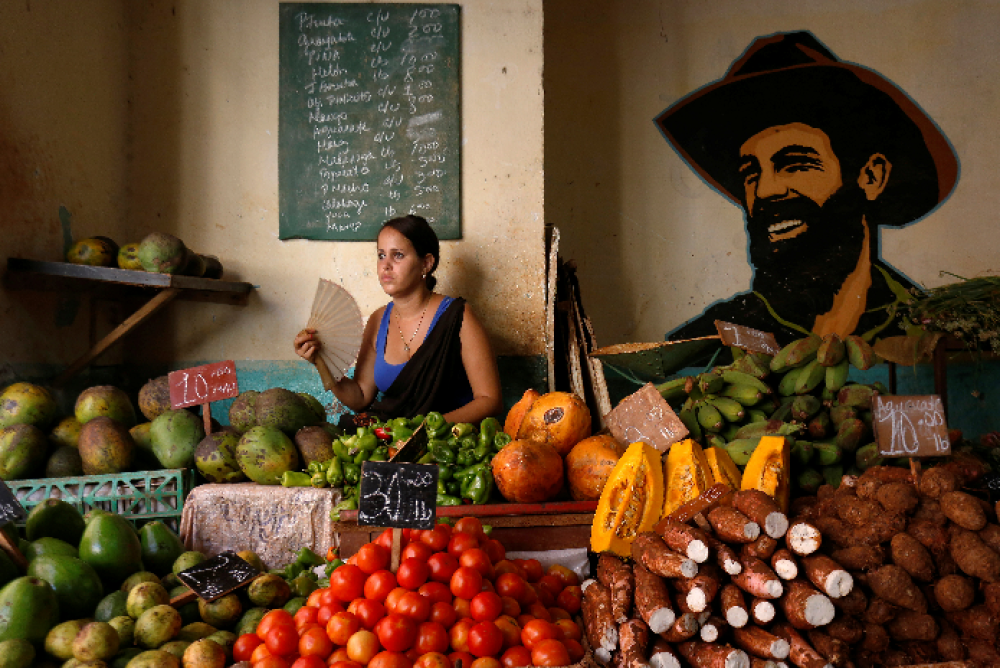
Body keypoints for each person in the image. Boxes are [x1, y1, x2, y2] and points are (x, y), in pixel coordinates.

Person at [655, 31, 959, 345]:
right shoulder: (706, 345)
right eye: (751, 173)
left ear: (871, 176)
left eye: (795, 164)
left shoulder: (931, 336)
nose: (765, 191)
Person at [294, 215, 503, 424]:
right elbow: (360, 397)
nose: (386, 265)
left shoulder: (458, 316)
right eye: (381, 255)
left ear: (426, 263)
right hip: (395, 437)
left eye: (398, 255)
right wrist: (321, 360)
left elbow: (490, 400)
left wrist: (423, 430)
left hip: (447, 438)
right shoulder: (378, 321)